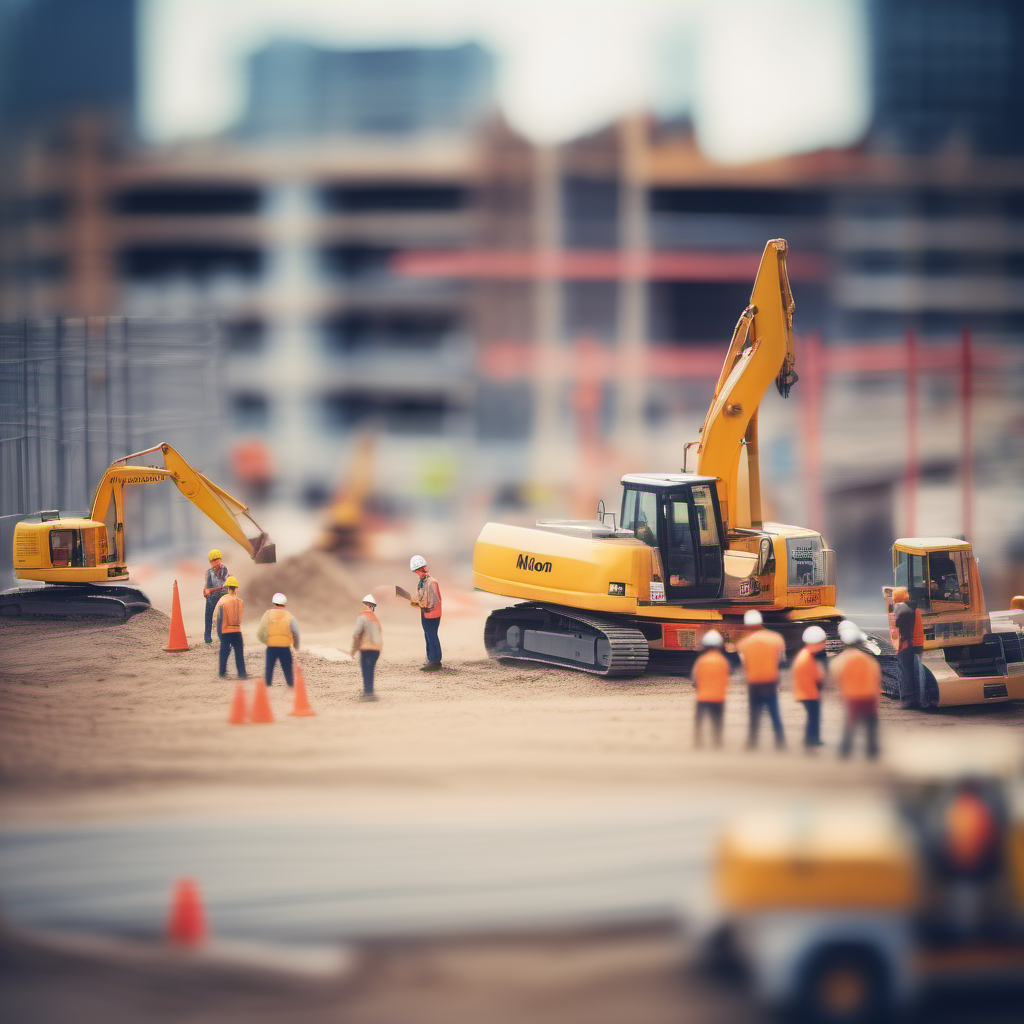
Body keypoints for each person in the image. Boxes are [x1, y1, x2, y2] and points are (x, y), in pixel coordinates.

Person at [737, 609, 787, 750]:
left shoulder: (743, 643)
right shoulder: (776, 639)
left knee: (754, 714)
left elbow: (744, 665)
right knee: (774, 713)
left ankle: (752, 743)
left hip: (753, 683)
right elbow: (781, 661)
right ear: (761, 622)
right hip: (770, 681)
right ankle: (780, 742)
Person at [832, 620, 881, 760]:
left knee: (850, 724)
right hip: (869, 695)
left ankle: (845, 749)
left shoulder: (842, 659)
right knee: (871, 723)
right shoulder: (868, 659)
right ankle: (872, 749)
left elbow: (838, 676)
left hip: (852, 696)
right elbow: (875, 676)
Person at [690, 629, 730, 749]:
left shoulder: (701, 661)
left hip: (703, 698)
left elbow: (695, 680)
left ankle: (698, 742)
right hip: (718, 698)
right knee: (717, 721)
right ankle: (717, 741)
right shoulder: (723, 662)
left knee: (700, 721)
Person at [792, 625, 828, 750]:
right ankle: (811, 740)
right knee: (813, 717)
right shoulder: (807, 658)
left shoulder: (805, 655)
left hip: (807, 692)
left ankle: (811, 739)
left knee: (813, 717)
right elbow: (815, 676)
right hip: (809, 693)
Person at [256, 592, 300, 687]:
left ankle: (268, 686)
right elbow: (296, 632)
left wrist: (266, 641)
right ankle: (290, 685)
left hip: (271, 647)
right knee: (287, 669)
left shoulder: (268, 614)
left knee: (269, 668)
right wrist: (296, 645)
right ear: (284, 604)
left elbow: (260, 632)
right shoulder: (289, 616)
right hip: (285, 648)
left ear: (274, 603)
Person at [892, 586, 924, 704]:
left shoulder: (902, 609)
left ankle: (909, 697)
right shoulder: (915, 608)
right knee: (915, 670)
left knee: (906, 671)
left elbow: (903, 632)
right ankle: (918, 695)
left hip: (908, 644)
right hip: (919, 643)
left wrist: (900, 647)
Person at [409, 555, 442, 671]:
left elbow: (434, 600)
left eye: (418, 570)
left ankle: (435, 660)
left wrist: (421, 604)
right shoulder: (421, 582)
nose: (418, 573)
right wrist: (415, 601)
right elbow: (422, 597)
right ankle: (430, 658)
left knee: (432, 635)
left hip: (432, 614)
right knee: (427, 635)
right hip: (425, 613)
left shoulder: (432, 582)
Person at [351, 594, 383, 701]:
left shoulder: (362, 616)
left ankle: (368, 693)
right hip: (376, 649)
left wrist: (353, 648)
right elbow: (379, 632)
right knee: (370, 670)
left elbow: (356, 633)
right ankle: (369, 691)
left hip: (367, 648)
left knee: (366, 670)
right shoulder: (375, 619)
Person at [214, 576, 246, 679]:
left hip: (225, 631)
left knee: (224, 652)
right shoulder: (240, 602)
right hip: (237, 631)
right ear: (236, 588)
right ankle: (242, 673)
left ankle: (222, 673)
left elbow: (216, 616)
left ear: (228, 588)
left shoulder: (223, 600)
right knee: (239, 653)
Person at [203, 548, 230, 644]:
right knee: (209, 616)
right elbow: (207, 585)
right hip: (214, 596)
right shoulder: (209, 572)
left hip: (223, 595)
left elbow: (226, 581)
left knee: (224, 616)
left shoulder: (224, 569)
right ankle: (207, 637)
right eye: (214, 560)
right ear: (211, 562)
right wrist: (206, 592)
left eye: (218, 559)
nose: (217, 562)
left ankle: (224, 635)